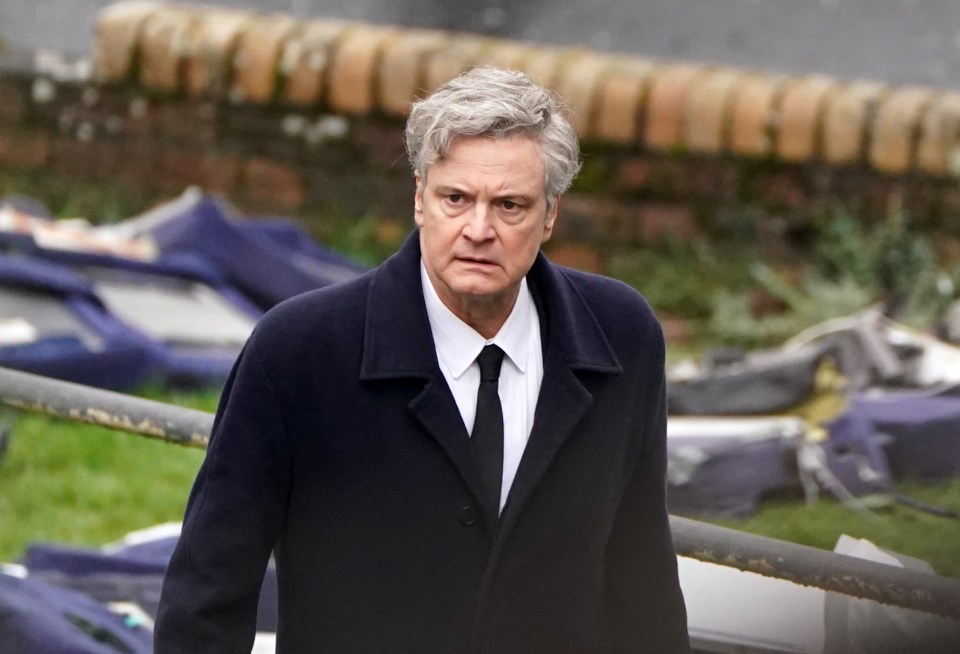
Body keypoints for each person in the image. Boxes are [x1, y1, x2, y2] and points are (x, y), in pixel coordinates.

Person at [154, 66, 689, 653]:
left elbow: (641, 578)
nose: (478, 230)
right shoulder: (298, 353)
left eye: (509, 205)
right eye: (456, 198)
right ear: (419, 198)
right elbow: (207, 592)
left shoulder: (622, 335)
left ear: (550, 215)